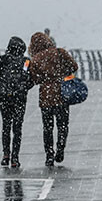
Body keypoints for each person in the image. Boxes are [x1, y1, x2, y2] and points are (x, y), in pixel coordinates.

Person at [28, 31, 78, 167]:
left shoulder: (36, 59)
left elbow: (35, 79)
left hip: (46, 97)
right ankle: (60, 149)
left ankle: (49, 155)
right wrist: (62, 73)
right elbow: (74, 66)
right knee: (63, 125)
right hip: (62, 94)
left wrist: (45, 79)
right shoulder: (60, 52)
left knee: (47, 127)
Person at [0, 37, 31, 168]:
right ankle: (15, 158)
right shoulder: (26, 62)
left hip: (5, 98)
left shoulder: (2, 60)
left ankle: (5, 154)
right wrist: (23, 88)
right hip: (19, 98)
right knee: (17, 128)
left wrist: (0, 87)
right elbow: (30, 78)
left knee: (6, 126)